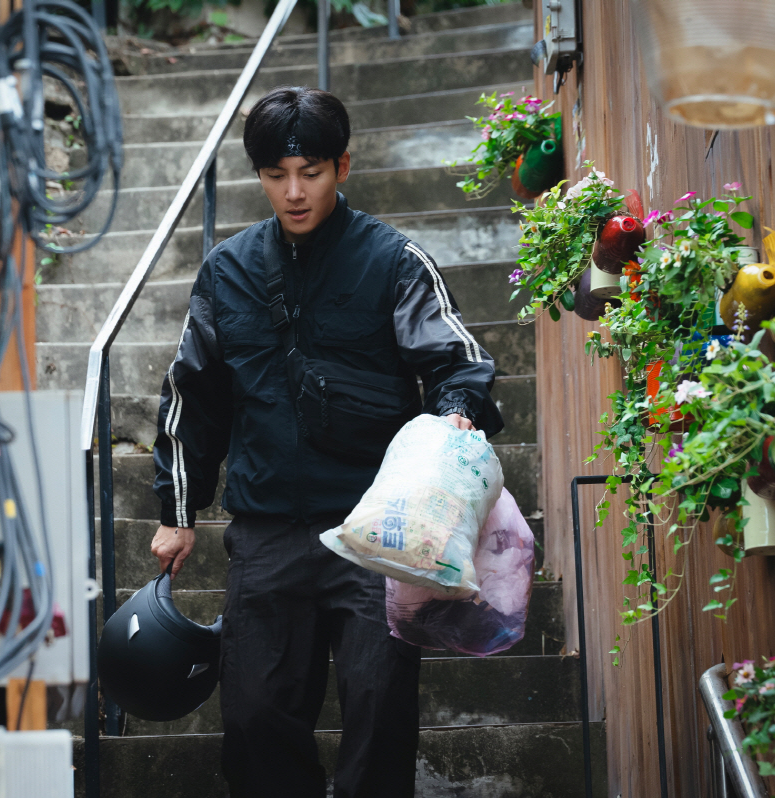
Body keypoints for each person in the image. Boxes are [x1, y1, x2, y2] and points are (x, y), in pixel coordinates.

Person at [149, 85, 504, 798]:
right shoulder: (228, 272)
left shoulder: (395, 260)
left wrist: (458, 405)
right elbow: (193, 393)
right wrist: (176, 510)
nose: (294, 192)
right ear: (259, 178)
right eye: (277, 176)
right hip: (267, 532)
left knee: (379, 712)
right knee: (252, 717)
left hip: (378, 530)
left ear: (343, 165)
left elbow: (455, 359)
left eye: (310, 172)